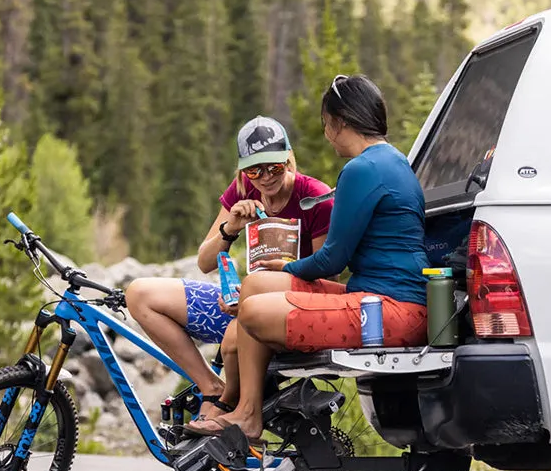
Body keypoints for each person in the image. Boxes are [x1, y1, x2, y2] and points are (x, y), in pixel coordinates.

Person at [188, 75, 429, 440]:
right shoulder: (392, 161)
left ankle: (248, 410)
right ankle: (246, 408)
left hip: (388, 310)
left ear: (339, 123)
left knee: (252, 310)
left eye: (326, 124)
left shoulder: (362, 169)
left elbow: (332, 259)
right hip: (381, 300)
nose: (326, 133)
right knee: (255, 284)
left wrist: (288, 267)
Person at [127, 116, 333, 420]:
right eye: (254, 170)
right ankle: (210, 387)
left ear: (288, 158)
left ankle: (229, 409)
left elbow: (327, 280)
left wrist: (262, 293)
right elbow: (205, 262)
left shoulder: (315, 197)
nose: (264, 178)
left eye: (273, 167)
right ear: (243, 169)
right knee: (139, 293)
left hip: (289, 313)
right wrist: (231, 227)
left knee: (239, 330)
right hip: (242, 304)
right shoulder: (242, 189)